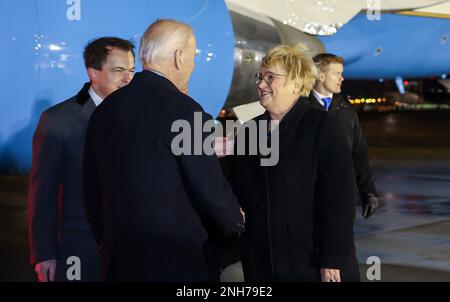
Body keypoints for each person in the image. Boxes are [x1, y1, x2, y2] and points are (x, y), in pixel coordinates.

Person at [82, 19, 244, 282]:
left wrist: (108, 240)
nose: (193, 65)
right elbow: (208, 187)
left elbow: (90, 189)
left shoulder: (104, 110)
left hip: (118, 260)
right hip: (176, 262)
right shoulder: (186, 111)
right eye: (192, 56)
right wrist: (236, 218)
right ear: (179, 58)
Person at [227, 45, 360, 282]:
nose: (260, 84)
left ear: (297, 84)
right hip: (262, 261)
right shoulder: (249, 130)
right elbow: (236, 189)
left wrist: (332, 258)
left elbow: (339, 199)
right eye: (260, 76)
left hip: (309, 261)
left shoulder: (322, 126)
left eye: (270, 77)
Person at [28, 37, 135, 282]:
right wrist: (44, 253)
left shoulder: (139, 115)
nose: (128, 79)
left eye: (131, 70)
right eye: (118, 70)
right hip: (78, 246)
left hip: (130, 246)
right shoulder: (58, 120)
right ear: (93, 73)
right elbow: (43, 192)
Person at [305, 53, 379, 218]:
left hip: (340, 197)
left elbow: (359, 152)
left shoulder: (347, 110)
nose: (342, 78)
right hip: (307, 199)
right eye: (337, 73)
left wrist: (368, 192)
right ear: (321, 76)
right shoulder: (301, 108)